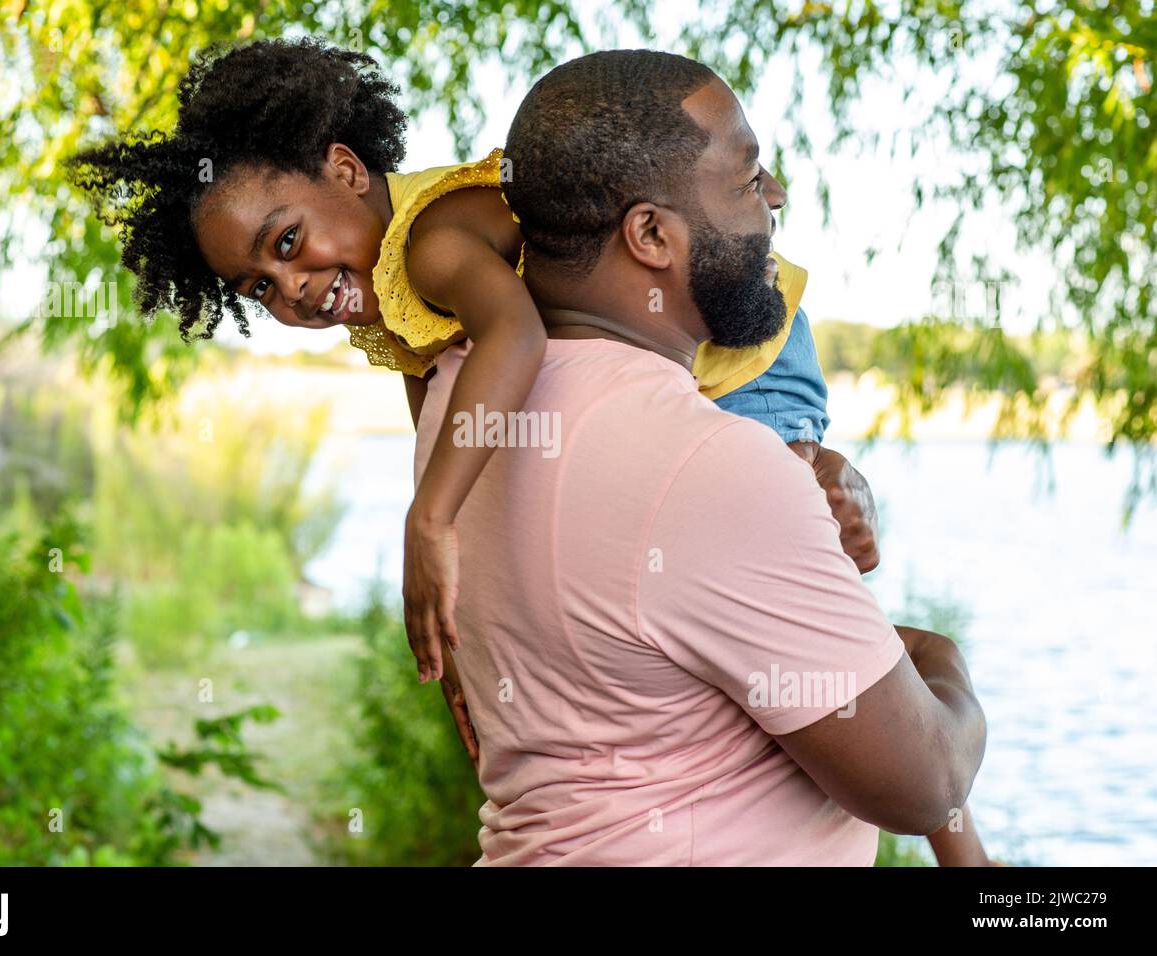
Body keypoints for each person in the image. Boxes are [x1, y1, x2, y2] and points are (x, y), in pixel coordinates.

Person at [67, 38, 875, 695]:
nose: (293, 289)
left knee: (810, 627)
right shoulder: (395, 299)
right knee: (776, 623)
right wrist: (468, 650)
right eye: (258, 287)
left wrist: (430, 521)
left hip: (742, 355)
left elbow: (515, 339)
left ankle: (947, 818)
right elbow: (445, 437)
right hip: (707, 362)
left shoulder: (431, 242)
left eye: (285, 244)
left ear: (347, 171)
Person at [415, 49, 991, 865]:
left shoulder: (452, 399)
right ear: (651, 234)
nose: (776, 200)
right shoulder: (713, 465)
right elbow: (923, 784)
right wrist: (939, 657)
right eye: (748, 179)